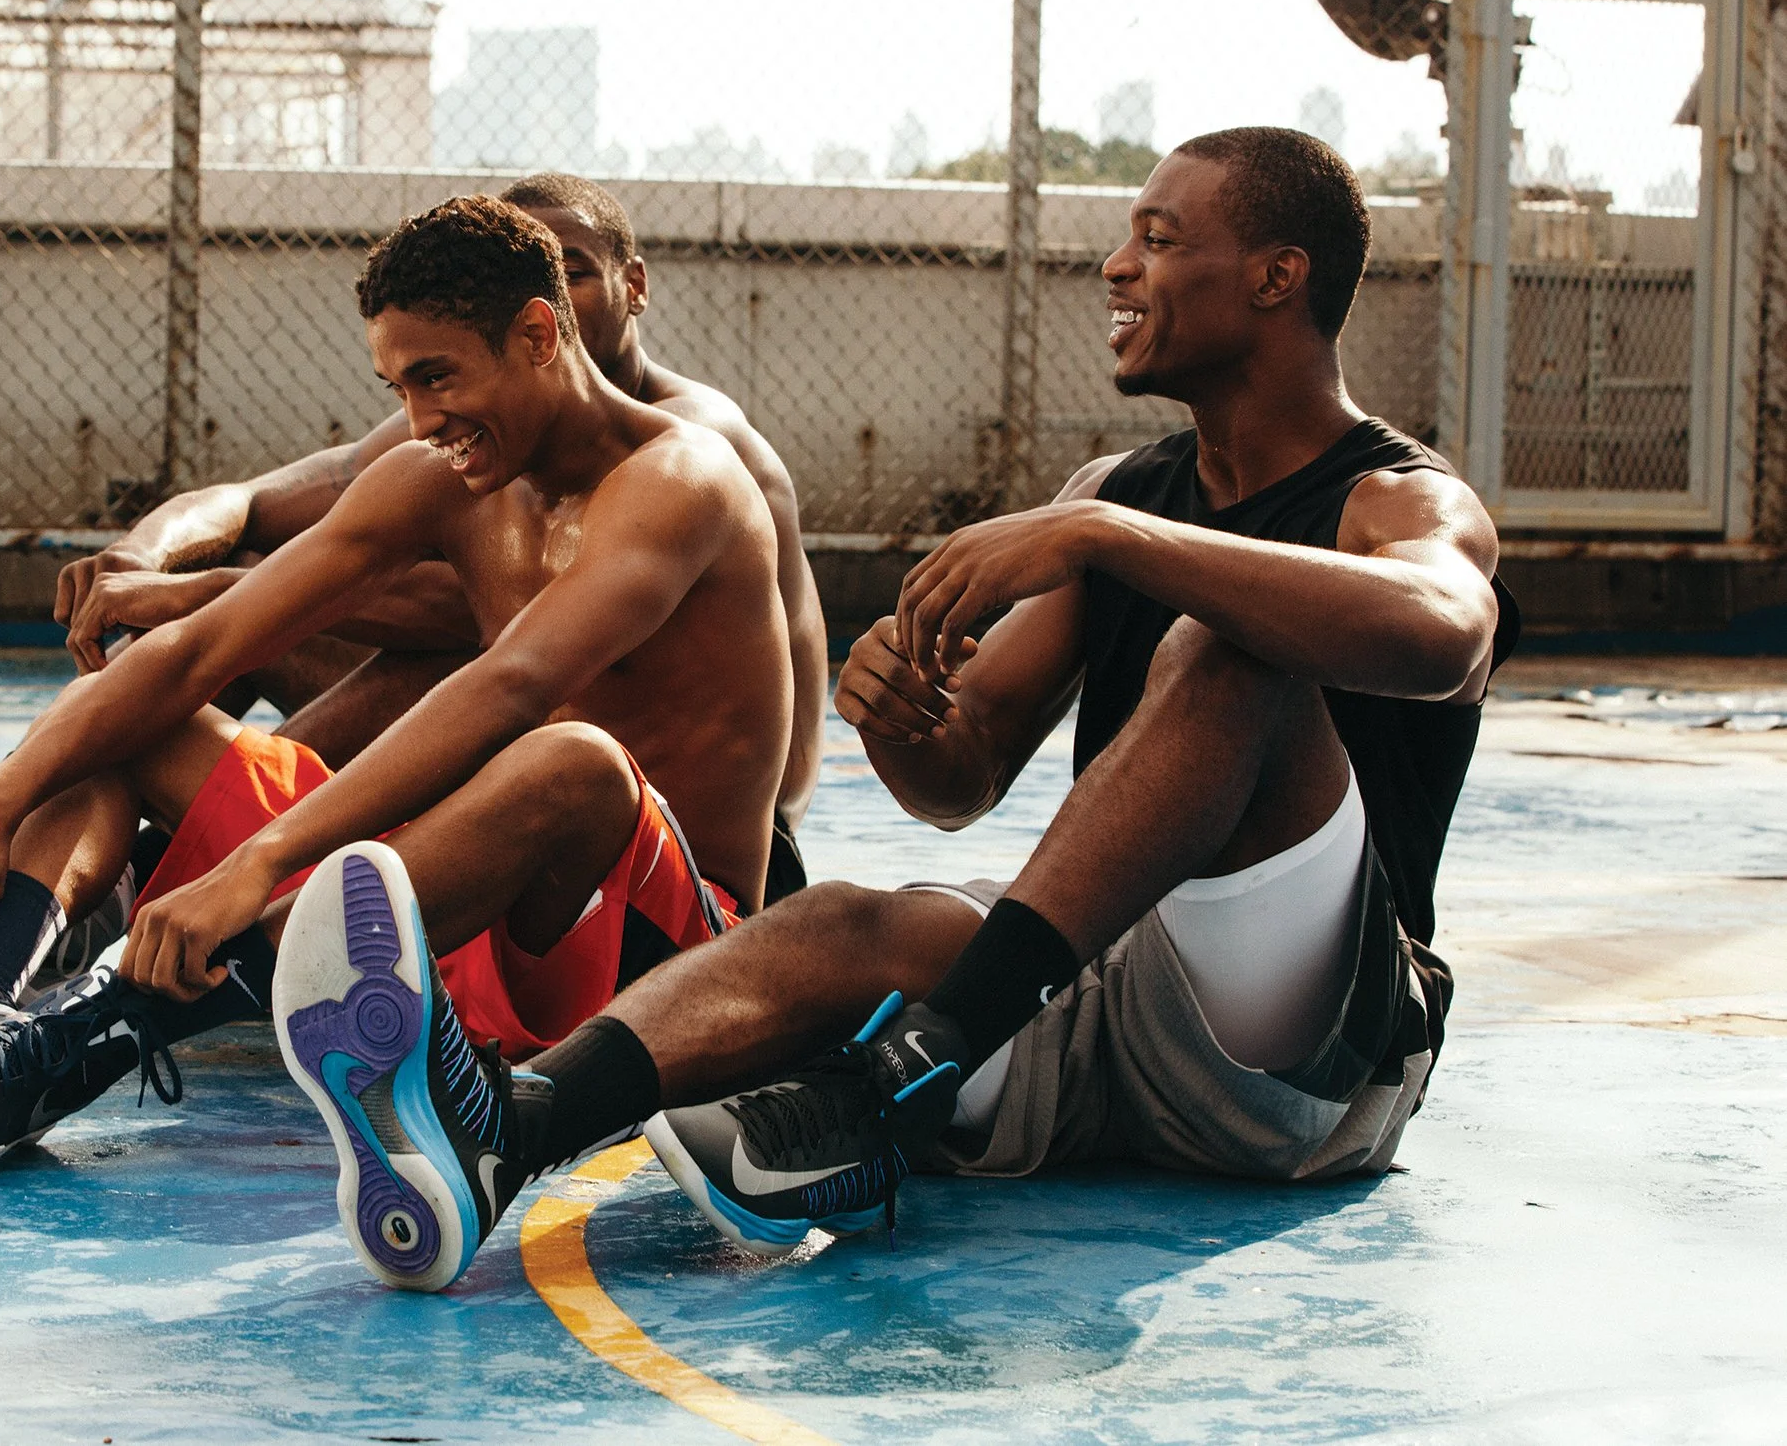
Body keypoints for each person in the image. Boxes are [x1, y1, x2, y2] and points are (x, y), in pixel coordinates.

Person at [277, 127, 1519, 1292]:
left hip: (1313, 1055)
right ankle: (508, 1130)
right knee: (843, 919)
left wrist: (1105, 534)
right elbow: (959, 779)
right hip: (1108, 996)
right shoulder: (1127, 487)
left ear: (1274, 276)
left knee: (1226, 651)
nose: (1117, 263)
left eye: (1157, 236)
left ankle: (891, 1080)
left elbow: (1446, 632)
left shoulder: (1396, 496)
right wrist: (904, 716)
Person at [0, 199, 792, 1220]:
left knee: (572, 761)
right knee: (145, 705)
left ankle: (64, 1046)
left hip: (665, 951)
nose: (417, 416)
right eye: (396, 386)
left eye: (438, 377)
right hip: (470, 913)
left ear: (540, 336)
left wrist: (258, 859)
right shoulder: (440, 475)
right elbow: (205, 641)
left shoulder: (682, 476)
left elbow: (514, 684)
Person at [53, 173, 825, 860]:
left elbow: (497, 632)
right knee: (145, 688)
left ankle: (212, 862)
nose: (422, 416)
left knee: (426, 660)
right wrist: (140, 556)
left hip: (668, 846)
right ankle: (22, 907)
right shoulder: (459, 427)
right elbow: (254, 500)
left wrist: (207, 593)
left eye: (574, 272)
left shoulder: (693, 450)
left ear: (629, 288)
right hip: (522, 833)